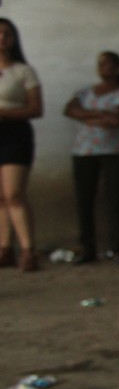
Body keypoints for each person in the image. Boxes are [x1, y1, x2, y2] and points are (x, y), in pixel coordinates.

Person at [64, 51, 119, 264]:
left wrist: (87, 115)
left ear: (117, 68)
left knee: (115, 199)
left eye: (107, 64)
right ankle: (88, 248)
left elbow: (118, 119)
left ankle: (117, 247)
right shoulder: (85, 92)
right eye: (100, 64)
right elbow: (70, 110)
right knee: (84, 200)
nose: (102, 68)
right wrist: (102, 114)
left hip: (115, 151)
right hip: (84, 151)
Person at [0, 17, 43, 272]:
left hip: (14, 133)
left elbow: (36, 108)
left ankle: (29, 250)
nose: (2, 38)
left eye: (6, 34)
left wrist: (5, 113)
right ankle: (4, 248)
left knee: (14, 193)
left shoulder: (24, 71)